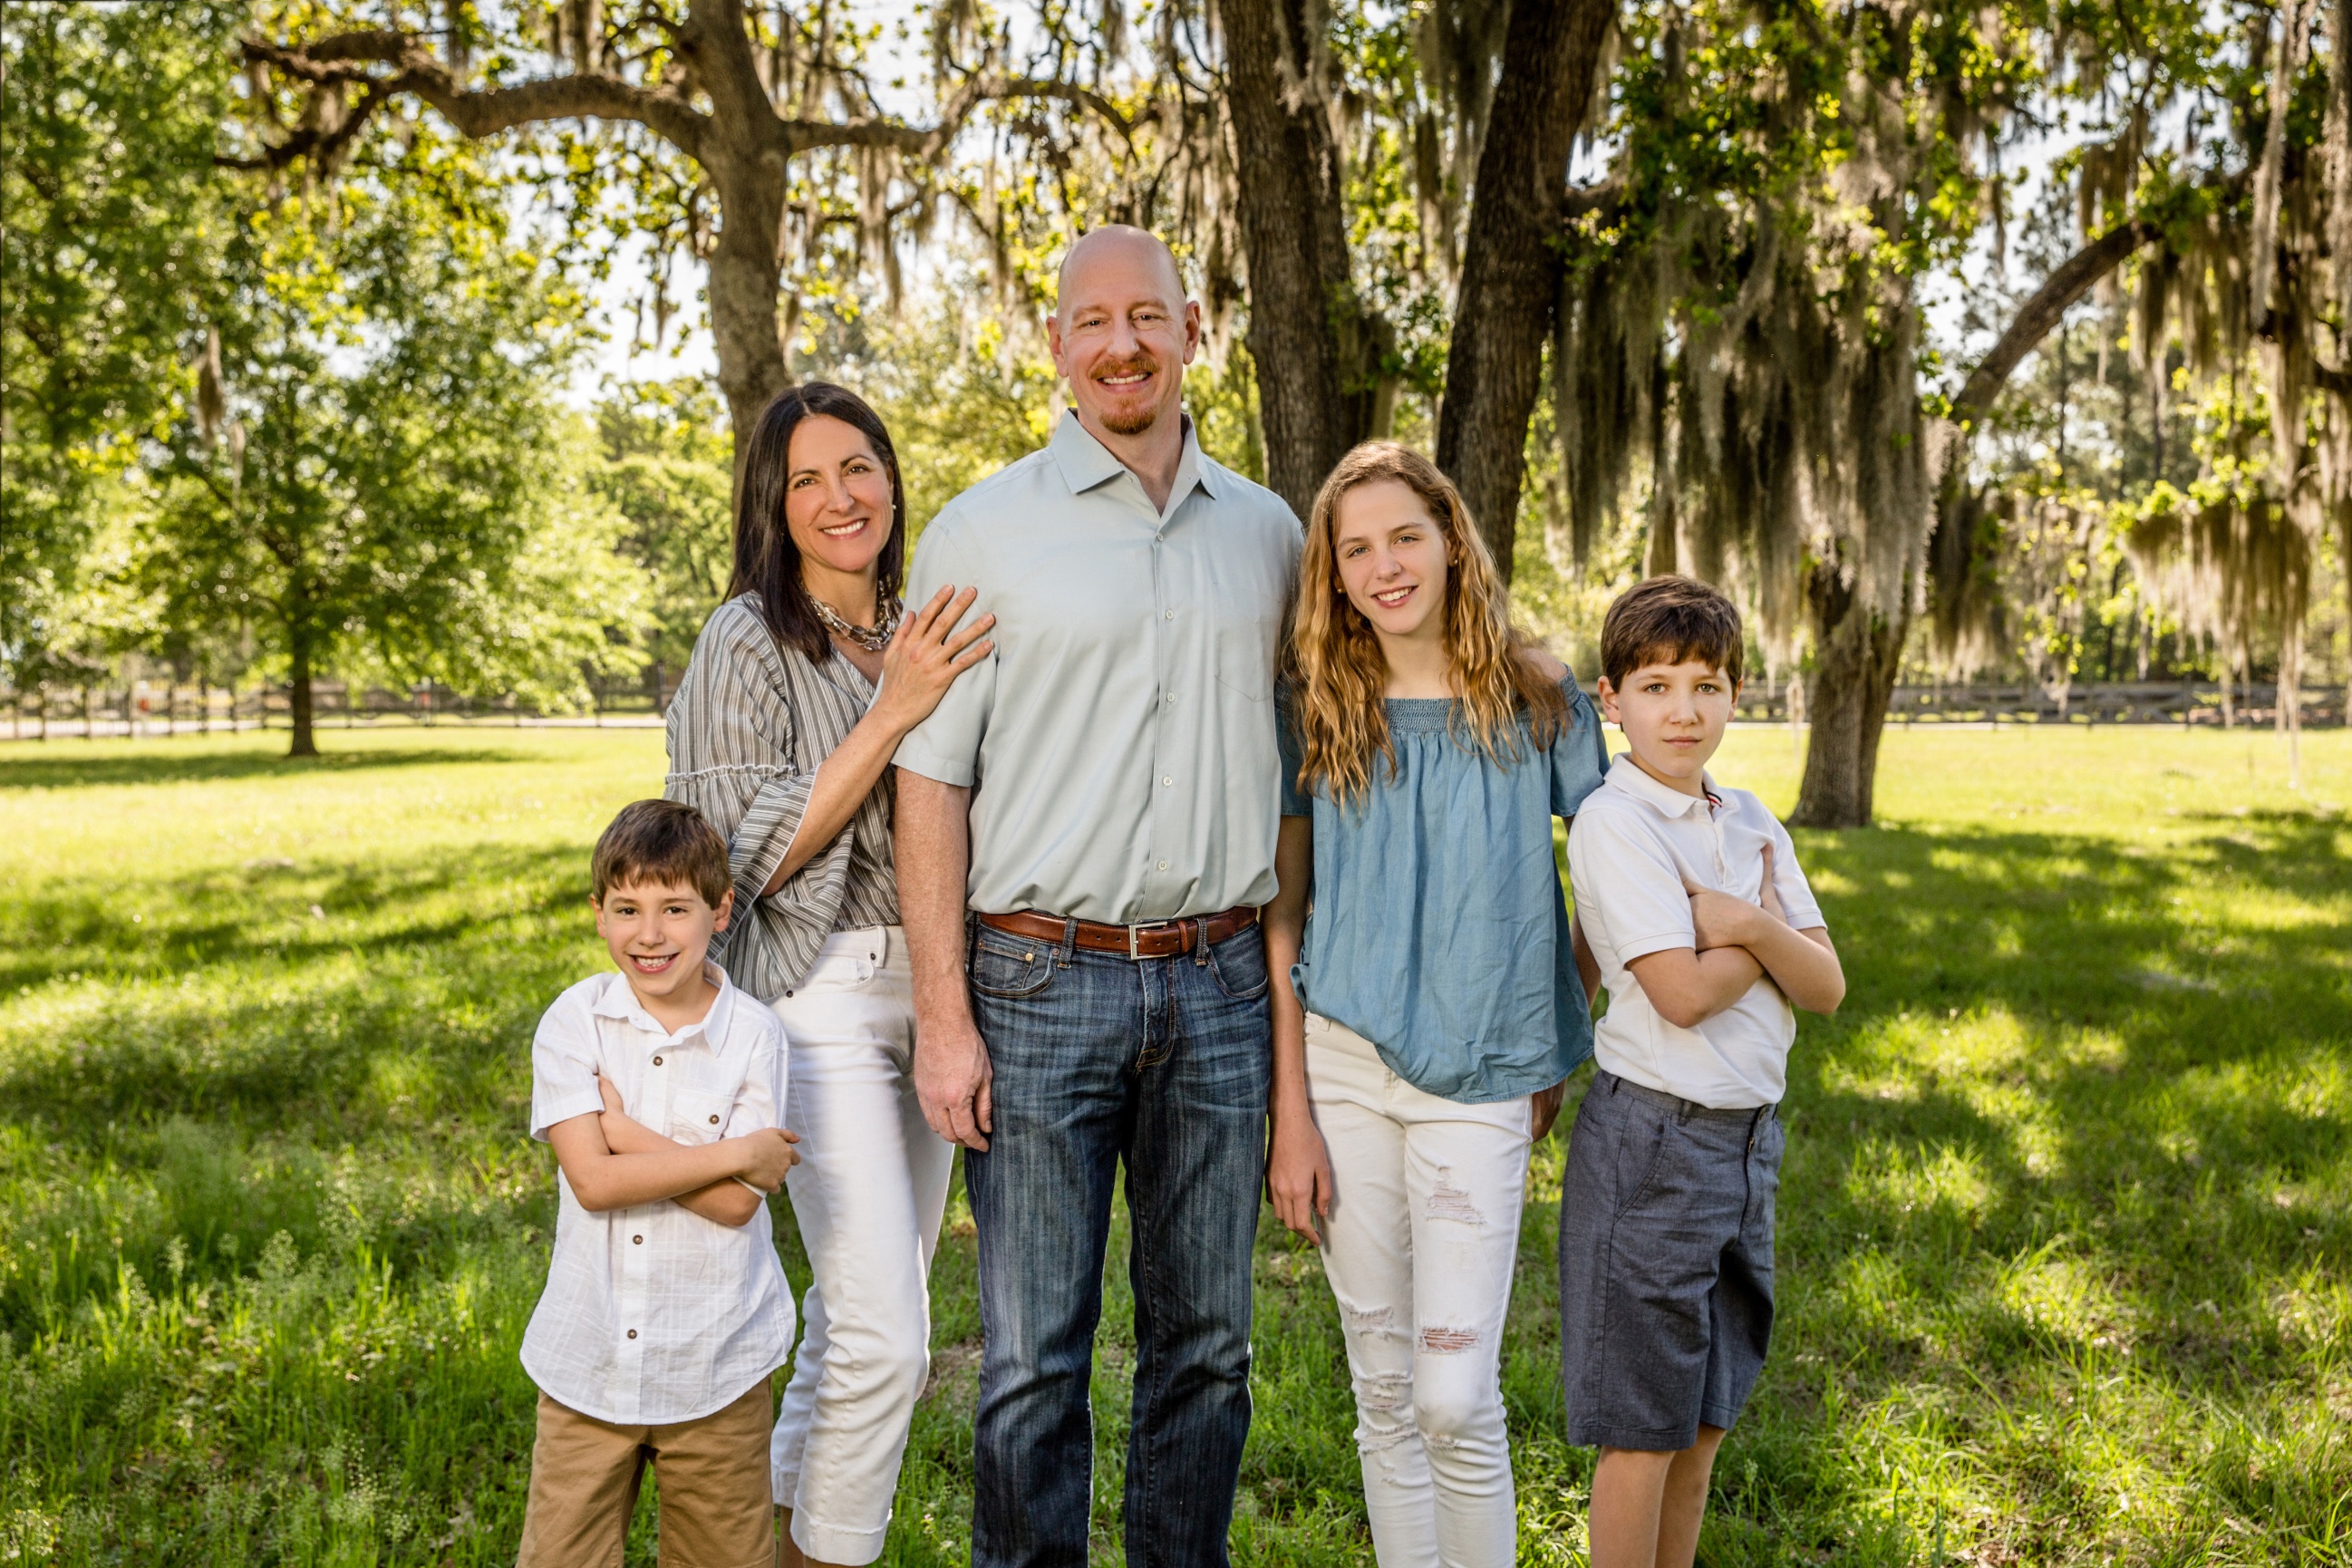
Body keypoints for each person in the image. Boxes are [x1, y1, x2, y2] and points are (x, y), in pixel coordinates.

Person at [890, 226, 1302, 1568]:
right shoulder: (980, 530)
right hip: (1033, 981)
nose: (1120, 344)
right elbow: (930, 784)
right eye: (1090, 322)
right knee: (1027, 1360)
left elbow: (1319, 766)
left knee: (1207, 1348)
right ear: (1054, 346)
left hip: (1223, 983)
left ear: (1193, 330)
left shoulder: (1271, 535)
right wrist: (943, 1019)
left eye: (1147, 317)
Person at [663, 382, 995, 1568]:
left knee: (856, 1327)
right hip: (815, 993)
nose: (837, 497)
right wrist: (895, 709)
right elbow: (729, 855)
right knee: (882, 1341)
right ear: (774, 505)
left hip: (941, 990)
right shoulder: (745, 639)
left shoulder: (924, 621)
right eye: (805, 479)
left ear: (891, 480)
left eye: (856, 467)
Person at [1261, 442, 1608, 1567]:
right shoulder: (1319, 705)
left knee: (1454, 1393)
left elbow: (1610, 869)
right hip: (1346, 1063)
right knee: (1384, 1382)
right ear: (1334, 573)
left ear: (1453, 538)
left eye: (1404, 535)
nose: (1384, 564)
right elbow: (1283, 912)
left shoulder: (1540, 696)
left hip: (1485, 1073)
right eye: (1354, 548)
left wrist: (1556, 1015)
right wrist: (1294, 1104)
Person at [1558, 576, 1845, 1568]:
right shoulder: (1614, 820)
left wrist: (1746, 923)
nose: (1683, 710)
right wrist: (1762, 941)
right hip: (1655, 1144)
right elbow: (1677, 994)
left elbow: (1828, 984)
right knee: (1642, 1422)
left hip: (1748, 1141)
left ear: (1734, 695)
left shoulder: (1753, 817)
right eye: (1656, 684)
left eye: (1707, 685)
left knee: (1707, 1411)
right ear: (1611, 698)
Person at [515, 799, 801, 1567]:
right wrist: (731, 1151)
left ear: (719, 910)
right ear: (597, 915)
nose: (650, 933)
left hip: (716, 1367)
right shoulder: (575, 1021)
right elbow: (594, 1185)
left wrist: (621, 1134)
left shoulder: (753, 1035)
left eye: (675, 909)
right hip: (588, 1364)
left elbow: (738, 1205)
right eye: (627, 909)